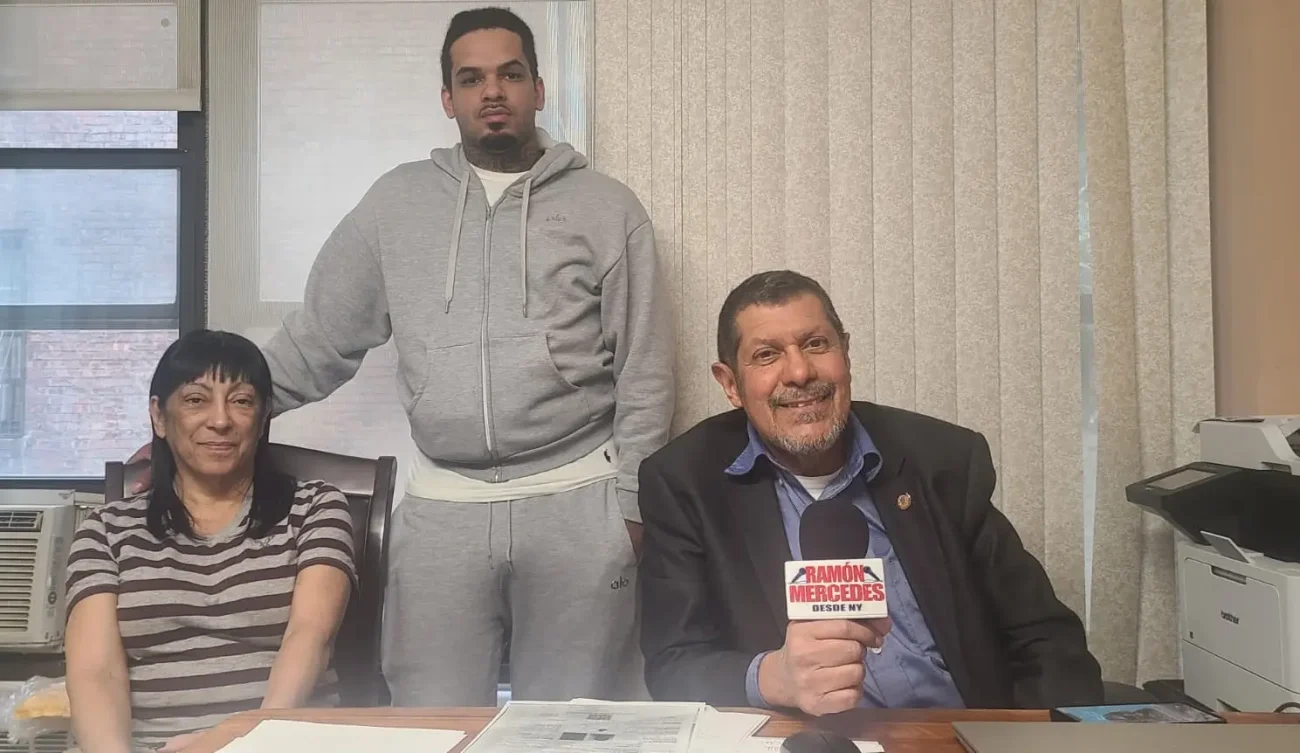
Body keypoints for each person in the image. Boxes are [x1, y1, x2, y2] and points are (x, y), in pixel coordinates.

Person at [130, 7, 672, 706]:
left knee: (573, 730)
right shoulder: (396, 204)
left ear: (539, 89)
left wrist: (631, 504)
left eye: (510, 74)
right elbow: (318, 337)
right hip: (444, 504)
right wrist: (206, 421)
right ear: (448, 98)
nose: (492, 92)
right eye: (471, 79)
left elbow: (645, 367)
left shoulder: (608, 208)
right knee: (426, 721)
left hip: (577, 500)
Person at [637, 270, 1104, 715]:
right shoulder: (686, 482)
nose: (799, 372)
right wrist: (772, 677)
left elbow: (1045, 639)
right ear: (730, 384)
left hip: (952, 732)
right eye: (767, 355)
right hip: (808, 741)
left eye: (816, 344)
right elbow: (673, 663)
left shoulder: (940, 459)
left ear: (846, 353)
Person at [66, 330, 355, 753]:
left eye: (241, 401)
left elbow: (311, 636)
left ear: (263, 417)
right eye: (196, 400)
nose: (220, 420)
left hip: (280, 741)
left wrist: (244, 741)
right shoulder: (106, 530)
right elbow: (96, 671)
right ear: (159, 417)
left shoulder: (316, 507)